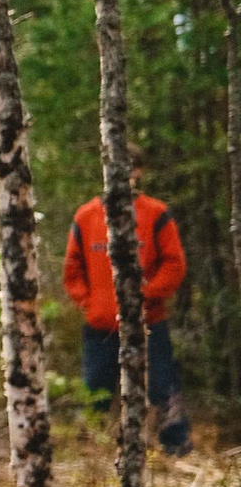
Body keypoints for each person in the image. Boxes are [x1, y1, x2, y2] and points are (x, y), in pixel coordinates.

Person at [63, 169, 190, 454]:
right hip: (101, 325)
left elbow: (174, 265)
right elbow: (72, 269)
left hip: (148, 322)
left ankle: (175, 446)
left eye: (130, 169)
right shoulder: (86, 216)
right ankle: (90, 453)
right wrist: (91, 303)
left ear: (139, 173)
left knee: (161, 384)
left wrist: (144, 295)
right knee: (96, 388)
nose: (124, 176)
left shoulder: (155, 213)